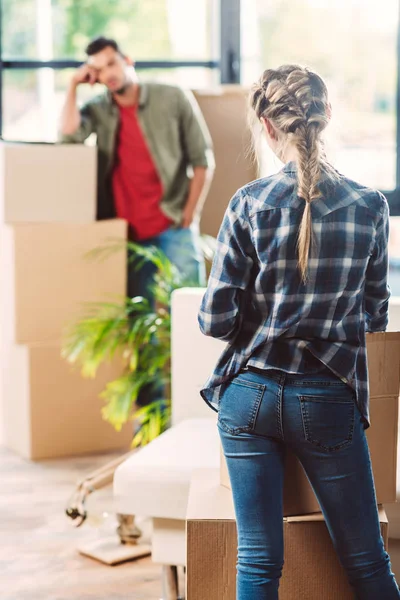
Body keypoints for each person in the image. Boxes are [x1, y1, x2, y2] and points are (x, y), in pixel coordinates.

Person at [198, 64, 399, 599]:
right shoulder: (370, 207)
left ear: (266, 126)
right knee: (367, 563)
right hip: (327, 399)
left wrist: (263, 317)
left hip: (248, 398)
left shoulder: (248, 204)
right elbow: (375, 316)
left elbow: (214, 320)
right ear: (327, 115)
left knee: (258, 562)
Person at [59, 36, 214, 304]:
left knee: (192, 312)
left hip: (173, 224)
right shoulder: (99, 109)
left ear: (127, 61)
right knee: (140, 322)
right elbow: (68, 136)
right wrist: (73, 85)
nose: (108, 74)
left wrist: (190, 214)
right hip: (128, 234)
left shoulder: (173, 97)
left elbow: (202, 159)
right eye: (98, 70)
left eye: (111, 64)